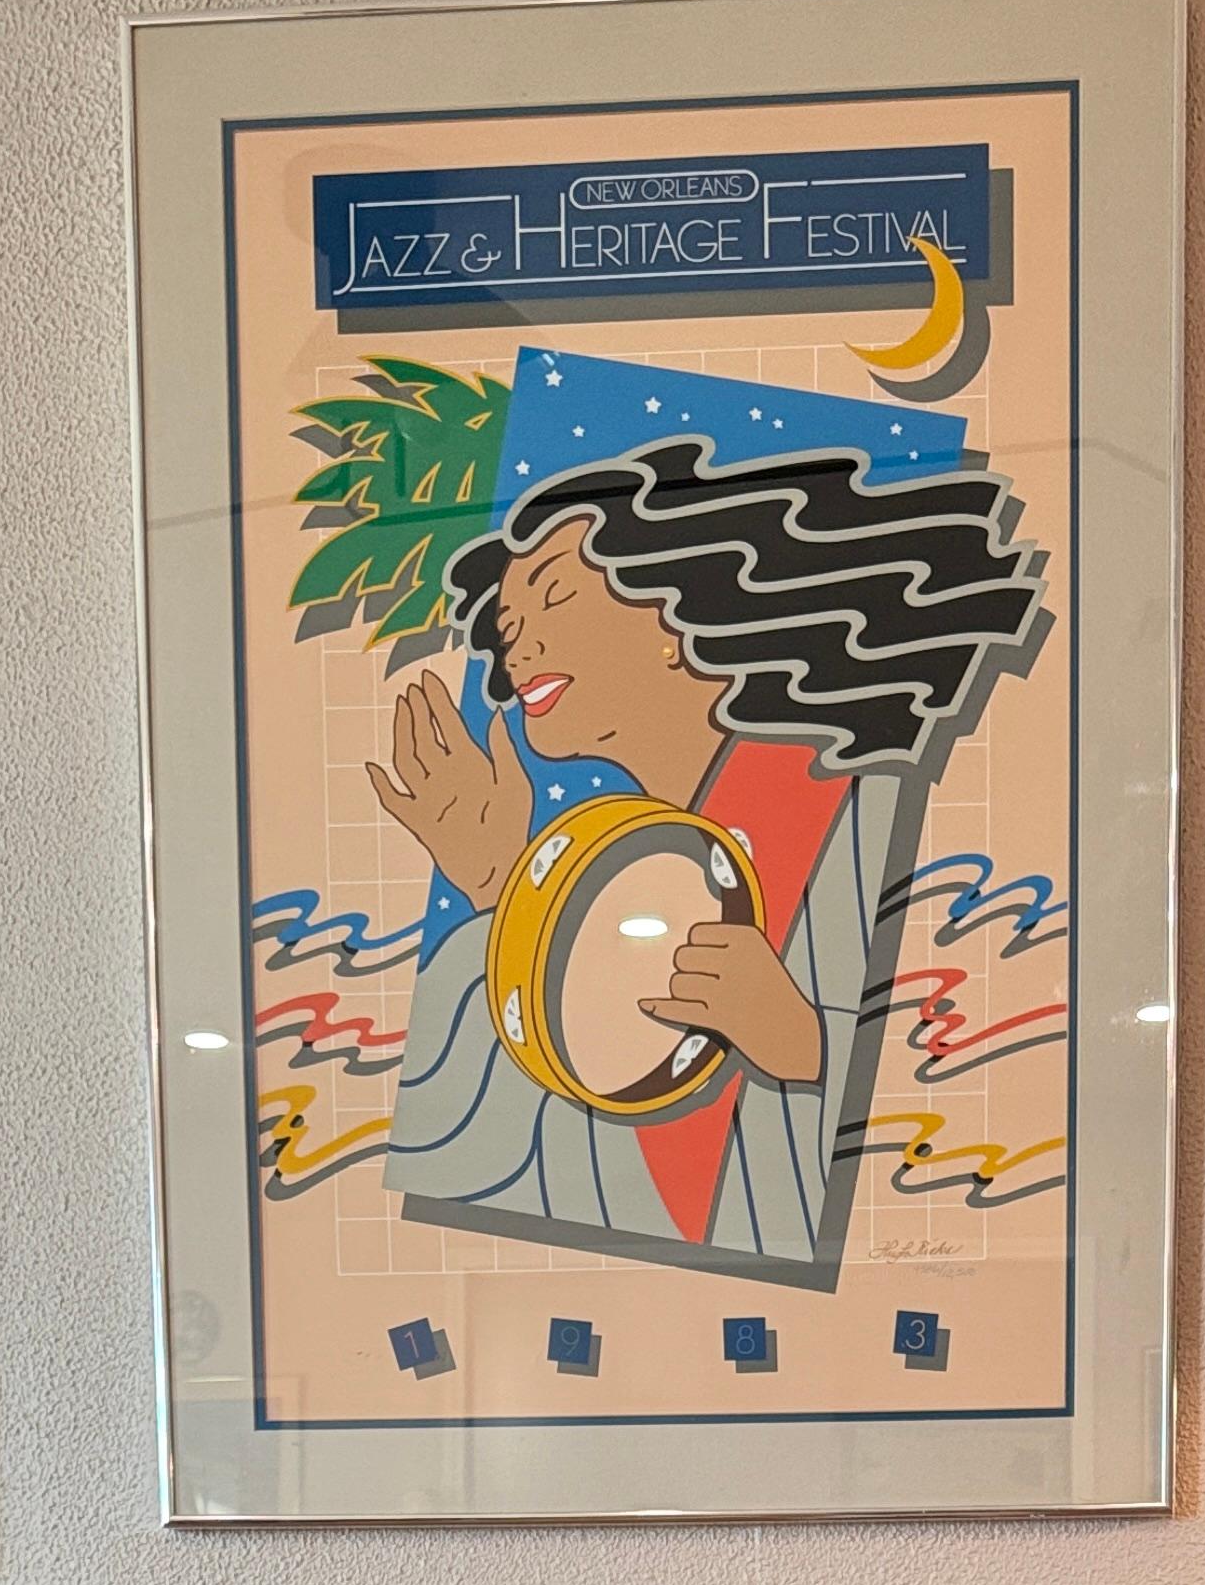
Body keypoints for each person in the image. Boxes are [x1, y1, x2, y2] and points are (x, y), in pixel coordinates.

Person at [369, 432, 1043, 1270]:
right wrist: (499, 887)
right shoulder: (627, 860)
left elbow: (995, 1078)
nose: (519, 646)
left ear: (671, 613)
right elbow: (517, 1158)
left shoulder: (865, 810)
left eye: (555, 599)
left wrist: (804, 1041)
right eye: (509, 627)